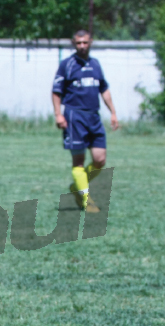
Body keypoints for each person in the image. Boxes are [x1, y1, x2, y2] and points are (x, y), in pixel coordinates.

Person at [52, 29, 119, 213]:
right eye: (78, 43)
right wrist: (58, 114)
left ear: (91, 43)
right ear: (74, 44)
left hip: (94, 117)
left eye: (85, 42)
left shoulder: (95, 64)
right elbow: (56, 91)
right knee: (79, 162)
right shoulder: (67, 65)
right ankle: (86, 200)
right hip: (75, 117)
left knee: (100, 160)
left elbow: (104, 89)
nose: (82, 46)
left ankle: (77, 187)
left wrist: (113, 112)